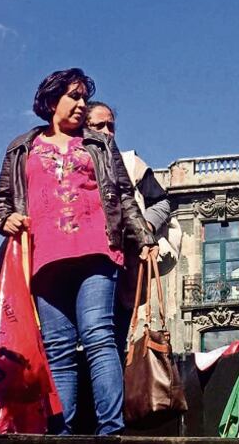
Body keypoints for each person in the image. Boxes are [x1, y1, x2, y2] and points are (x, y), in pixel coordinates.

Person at [0, 69, 157, 435]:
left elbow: (125, 195)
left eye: (85, 98)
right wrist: (6, 219)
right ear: (52, 102)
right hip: (44, 257)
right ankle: (60, 435)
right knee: (58, 349)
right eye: (74, 96)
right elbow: (1, 202)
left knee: (99, 335)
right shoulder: (22, 147)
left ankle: (110, 430)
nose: (82, 104)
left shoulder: (99, 144)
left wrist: (144, 238)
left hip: (98, 251)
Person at [85, 101, 182, 355]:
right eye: (99, 126)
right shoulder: (70, 166)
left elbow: (162, 202)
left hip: (124, 270)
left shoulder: (130, 163)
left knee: (112, 342)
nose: (107, 131)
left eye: (111, 125)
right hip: (84, 268)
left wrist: (144, 228)